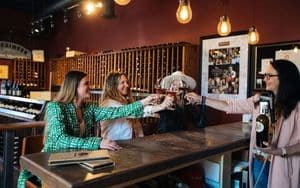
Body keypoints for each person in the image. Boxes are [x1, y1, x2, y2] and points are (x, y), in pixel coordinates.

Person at [17, 70, 174, 188]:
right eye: (86, 83)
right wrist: (98, 142)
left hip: (77, 162)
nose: (90, 87)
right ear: (74, 87)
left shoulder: (89, 108)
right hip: (51, 164)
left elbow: (116, 112)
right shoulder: (55, 107)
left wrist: (143, 102)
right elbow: (59, 139)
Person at [185, 59, 300, 188]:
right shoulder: (260, 100)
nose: (264, 79)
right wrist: (202, 99)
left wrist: (281, 151)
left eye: (269, 75)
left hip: (283, 165)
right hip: (259, 161)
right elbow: (231, 106)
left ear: (284, 78)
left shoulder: (297, 107)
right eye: (264, 76)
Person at [99, 72, 174, 140]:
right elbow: (129, 112)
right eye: (122, 83)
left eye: (127, 82)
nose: (127, 85)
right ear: (113, 86)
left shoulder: (125, 101)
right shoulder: (108, 104)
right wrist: (153, 104)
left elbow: (139, 113)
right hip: (115, 147)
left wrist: (160, 106)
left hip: (132, 145)